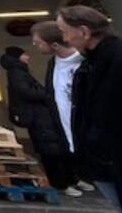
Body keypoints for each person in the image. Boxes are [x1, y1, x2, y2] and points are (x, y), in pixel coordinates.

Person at [57, 5, 122, 213]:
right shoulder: (90, 65)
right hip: (102, 162)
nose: (65, 39)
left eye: (65, 32)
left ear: (84, 32)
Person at [0, 46, 79, 196]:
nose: (28, 56)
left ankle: (67, 180)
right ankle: (61, 183)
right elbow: (24, 91)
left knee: (53, 148)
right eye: (25, 54)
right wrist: (47, 94)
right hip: (37, 115)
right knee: (51, 149)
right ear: (19, 57)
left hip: (37, 115)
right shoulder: (17, 72)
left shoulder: (19, 71)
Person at [31, 21, 96, 195]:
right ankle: (71, 179)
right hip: (61, 122)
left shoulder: (85, 62)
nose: (34, 46)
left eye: (38, 42)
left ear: (54, 44)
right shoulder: (52, 64)